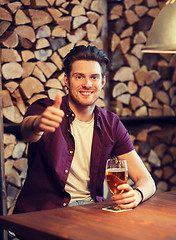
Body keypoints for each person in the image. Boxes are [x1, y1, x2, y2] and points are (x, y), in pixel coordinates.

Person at [13, 45, 156, 214]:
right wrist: (39, 124)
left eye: (94, 77)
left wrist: (137, 195)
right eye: (79, 77)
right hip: (45, 212)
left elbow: (147, 180)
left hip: (92, 209)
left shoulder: (111, 123)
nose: (87, 84)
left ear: (102, 82)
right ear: (67, 80)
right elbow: (28, 130)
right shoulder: (45, 109)